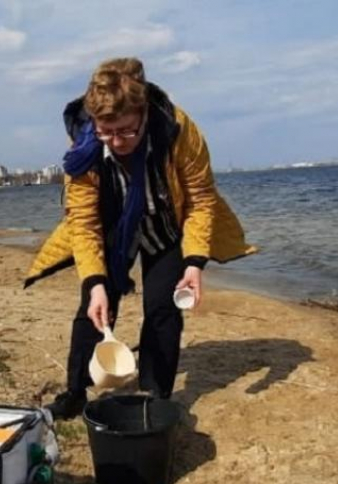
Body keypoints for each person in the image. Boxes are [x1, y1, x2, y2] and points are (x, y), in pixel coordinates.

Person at [25, 57, 256, 419]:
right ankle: (74, 391)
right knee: (95, 308)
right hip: (112, 228)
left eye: (127, 131)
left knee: (163, 308)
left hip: (167, 224)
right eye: (107, 132)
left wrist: (195, 262)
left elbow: (200, 198)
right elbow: (83, 222)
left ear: (144, 112)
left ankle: (157, 392)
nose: (117, 142)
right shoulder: (82, 150)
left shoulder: (179, 130)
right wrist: (97, 282)